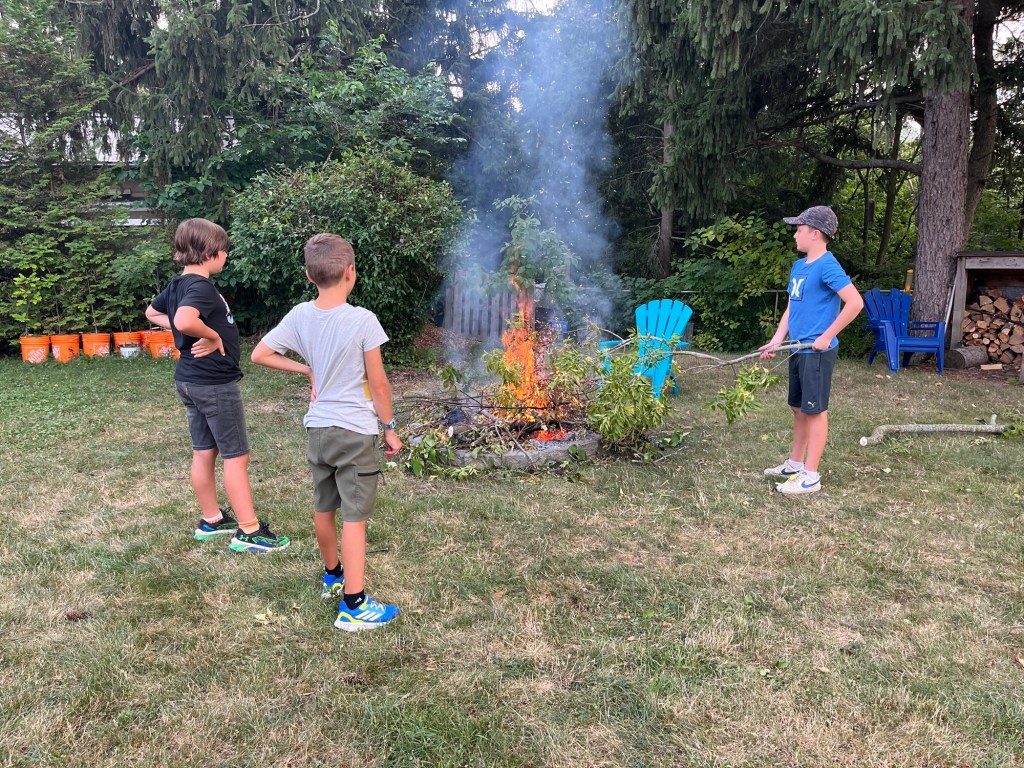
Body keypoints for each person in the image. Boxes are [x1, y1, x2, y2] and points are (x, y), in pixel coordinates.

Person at [251, 233, 402, 632]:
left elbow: (260, 353)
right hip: (354, 433)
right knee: (354, 517)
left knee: (324, 506)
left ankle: (333, 575)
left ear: (309, 275)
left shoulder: (301, 314)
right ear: (351, 272)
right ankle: (354, 605)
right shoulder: (363, 320)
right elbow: (379, 384)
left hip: (318, 429)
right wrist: (389, 428)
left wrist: (307, 368)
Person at [146, 218, 290, 552]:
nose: (226, 256)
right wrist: (211, 335)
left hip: (189, 381)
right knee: (236, 456)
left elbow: (152, 313)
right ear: (210, 252)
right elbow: (183, 320)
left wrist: (187, 329)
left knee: (204, 450)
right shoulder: (200, 287)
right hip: (214, 384)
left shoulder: (178, 284)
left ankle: (212, 520)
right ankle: (250, 532)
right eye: (224, 251)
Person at [759, 205, 864, 495]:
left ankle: (811, 475)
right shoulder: (799, 266)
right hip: (798, 348)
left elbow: (855, 303)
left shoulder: (827, 265)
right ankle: (794, 464)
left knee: (815, 410)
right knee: (798, 407)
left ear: (815, 234)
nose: (795, 235)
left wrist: (827, 336)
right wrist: (778, 339)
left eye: (799, 230)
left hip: (816, 351)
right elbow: (792, 307)